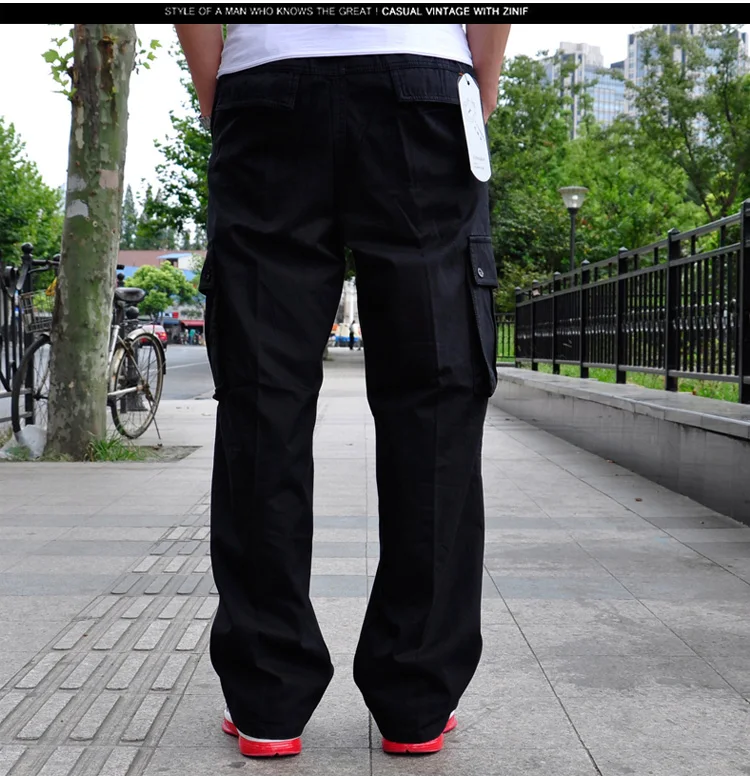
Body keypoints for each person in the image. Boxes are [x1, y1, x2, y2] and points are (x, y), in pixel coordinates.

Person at [175, 22, 510, 759]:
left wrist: (221, 85)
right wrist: (476, 82)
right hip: (424, 77)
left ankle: (267, 695)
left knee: (263, 396)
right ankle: (416, 695)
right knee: (435, 395)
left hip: (265, 80)